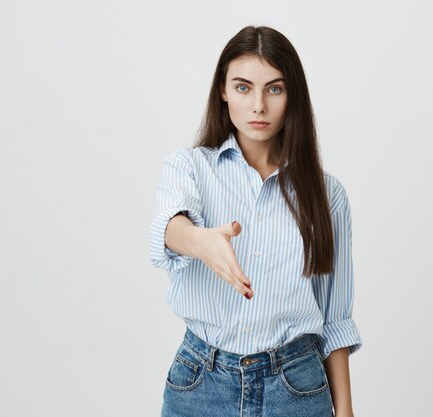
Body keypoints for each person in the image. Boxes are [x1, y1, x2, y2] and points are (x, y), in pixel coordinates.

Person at [149, 26, 363, 417]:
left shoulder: (327, 195)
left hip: (296, 387)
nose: (259, 105)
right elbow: (170, 228)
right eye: (244, 87)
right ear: (223, 90)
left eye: (275, 89)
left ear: (292, 95)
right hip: (201, 386)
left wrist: (345, 411)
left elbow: (335, 318)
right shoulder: (190, 168)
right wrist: (201, 242)